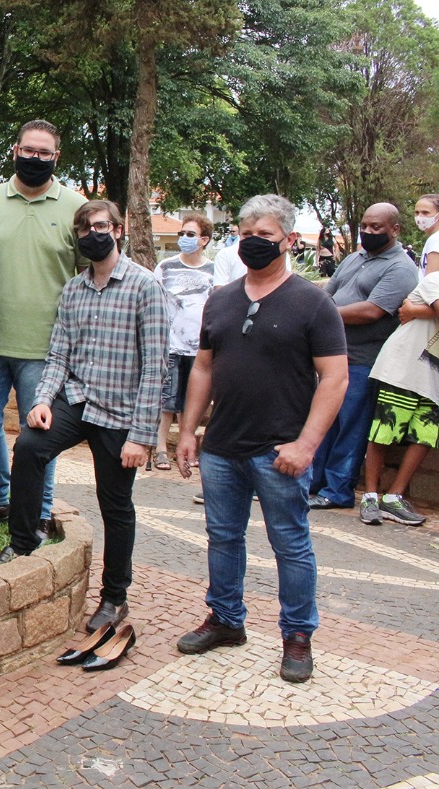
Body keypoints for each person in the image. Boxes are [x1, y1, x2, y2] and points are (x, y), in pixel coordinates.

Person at [175, 194, 348, 685]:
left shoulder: (313, 303)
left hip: (279, 450)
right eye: (246, 235)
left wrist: (306, 445)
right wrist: (188, 431)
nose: (253, 243)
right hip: (222, 447)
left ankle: (297, 636)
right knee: (223, 536)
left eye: (265, 236)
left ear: (288, 240)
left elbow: (335, 378)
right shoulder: (222, 298)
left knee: (290, 544)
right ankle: (226, 619)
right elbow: (203, 368)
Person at [0, 200, 168, 638]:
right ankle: (24, 543)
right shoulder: (73, 290)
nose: (92, 234)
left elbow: (156, 367)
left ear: (117, 230)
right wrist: (42, 400)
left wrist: (141, 437)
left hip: (120, 412)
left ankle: (114, 597)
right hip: (79, 400)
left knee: (114, 504)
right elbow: (59, 355)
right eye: (83, 229)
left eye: (100, 226)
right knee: (30, 447)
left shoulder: (144, 287)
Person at [0, 119, 86, 535]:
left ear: (57, 157)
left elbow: (89, 275)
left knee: (39, 435)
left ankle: (39, 511)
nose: (35, 158)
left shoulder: (76, 207)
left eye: (44, 153)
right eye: (28, 150)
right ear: (15, 151)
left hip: (47, 347)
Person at [307, 204, 415, 510]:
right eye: (365, 226)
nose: (368, 232)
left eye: (376, 227)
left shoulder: (401, 268)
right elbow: (327, 293)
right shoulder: (355, 258)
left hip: (365, 359)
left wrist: (324, 316)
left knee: (351, 427)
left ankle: (337, 490)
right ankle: (312, 483)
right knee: (324, 422)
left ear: (395, 229)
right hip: (333, 356)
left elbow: (371, 311)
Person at [357, 270, 436, 527]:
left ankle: (394, 497)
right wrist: (421, 310)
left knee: (425, 435)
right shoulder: (435, 280)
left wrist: (418, 311)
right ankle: (370, 496)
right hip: (404, 368)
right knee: (385, 430)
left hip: (433, 378)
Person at [152, 214, 215, 470]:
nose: (184, 238)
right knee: (166, 400)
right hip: (170, 344)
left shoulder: (213, 270)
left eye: (190, 234)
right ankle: (160, 449)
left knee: (192, 401)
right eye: (182, 234)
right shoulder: (165, 267)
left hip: (200, 347)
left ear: (204, 240)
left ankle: (186, 449)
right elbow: (154, 301)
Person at [415, 194, 439, 277]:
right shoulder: (433, 238)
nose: (419, 217)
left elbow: (431, 280)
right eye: (417, 212)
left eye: (425, 213)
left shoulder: (436, 239)